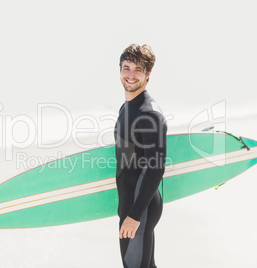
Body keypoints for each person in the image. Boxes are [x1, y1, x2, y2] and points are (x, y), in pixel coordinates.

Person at [114, 44, 167, 268]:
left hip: (140, 208)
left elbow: (155, 167)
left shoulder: (149, 113)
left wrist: (135, 215)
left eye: (138, 69)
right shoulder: (126, 108)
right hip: (131, 205)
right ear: (120, 70)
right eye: (126, 68)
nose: (131, 75)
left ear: (148, 74)